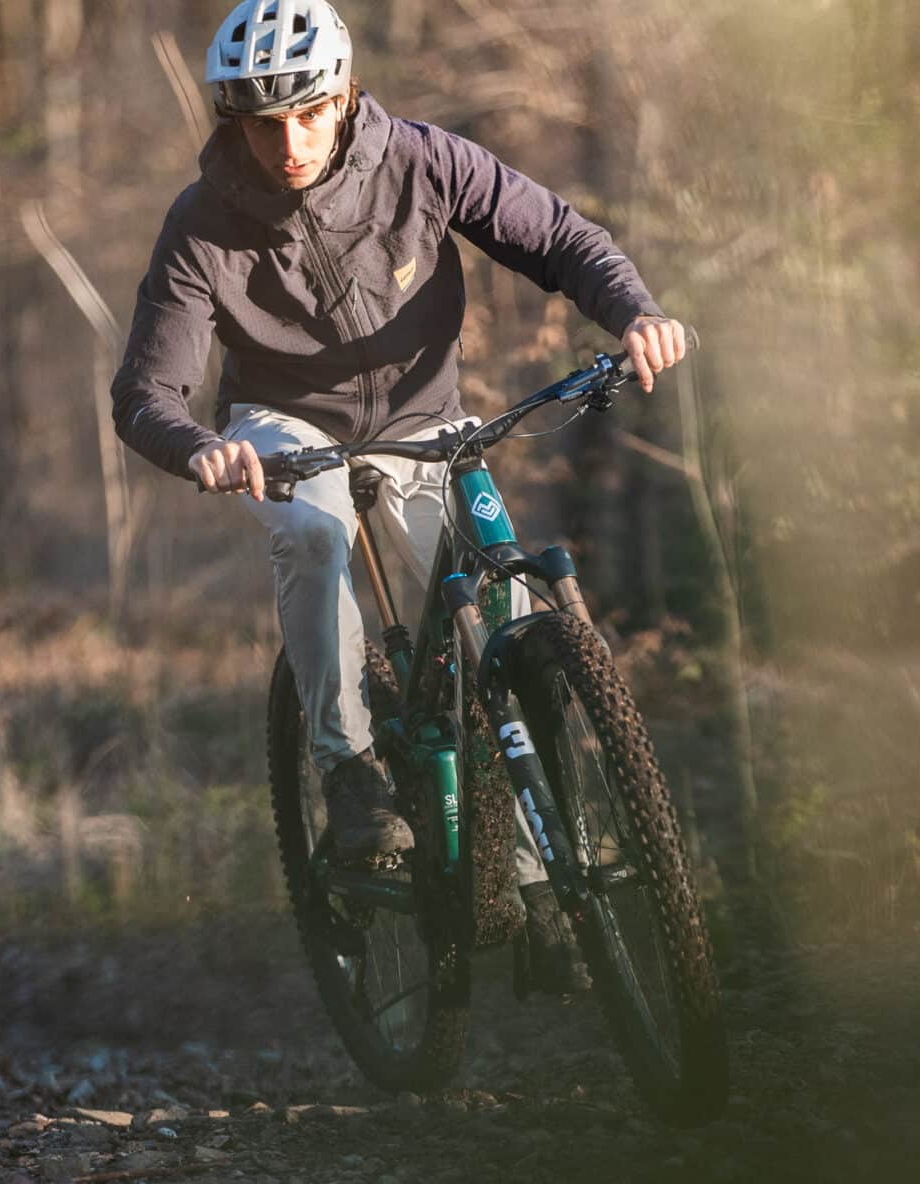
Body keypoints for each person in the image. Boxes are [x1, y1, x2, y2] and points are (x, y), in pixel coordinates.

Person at [111, 0, 688, 875]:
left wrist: (635, 313)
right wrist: (199, 448)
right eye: (265, 124)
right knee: (314, 532)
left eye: (309, 112)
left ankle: (542, 872)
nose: (290, 142)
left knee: (504, 621)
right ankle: (348, 771)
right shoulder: (201, 226)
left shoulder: (425, 161)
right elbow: (146, 391)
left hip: (429, 423)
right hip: (287, 427)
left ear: (344, 94)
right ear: (234, 121)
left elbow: (559, 239)